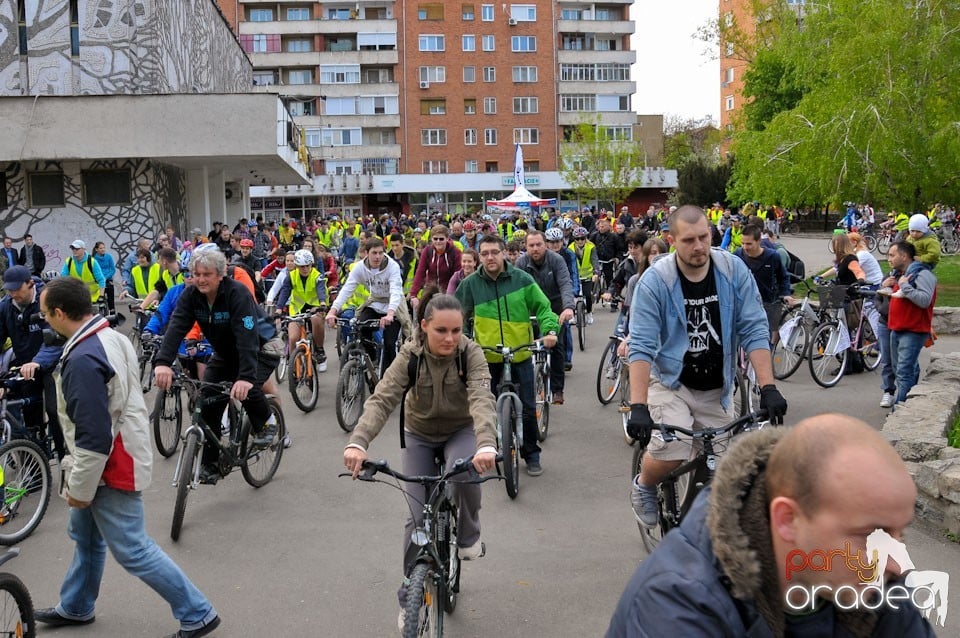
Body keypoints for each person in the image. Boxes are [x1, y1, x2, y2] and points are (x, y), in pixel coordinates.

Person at [607, 414, 934, 637]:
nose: (898, 563)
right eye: (871, 535)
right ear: (787, 520)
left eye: (898, 534)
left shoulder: (874, 579)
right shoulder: (677, 605)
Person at [35, 277, 221, 638]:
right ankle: (75, 605)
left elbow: (92, 437)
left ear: (59, 313)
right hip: (117, 453)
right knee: (86, 537)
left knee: (133, 549)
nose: (44, 320)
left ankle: (197, 612)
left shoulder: (83, 358)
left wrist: (80, 489)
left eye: (45, 314)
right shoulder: (108, 337)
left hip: (108, 464)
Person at [343, 288, 497, 628]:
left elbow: (482, 399)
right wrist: (358, 442)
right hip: (420, 435)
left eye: (456, 330)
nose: (450, 338)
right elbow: (382, 399)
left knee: (466, 471)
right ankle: (409, 594)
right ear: (425, 326)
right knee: (416, 519)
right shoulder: (409, 355)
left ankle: (469, 535)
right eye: (441, 330)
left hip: (461, 430)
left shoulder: (470, 354)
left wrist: (486, 444)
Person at [626, 206, 787, 527]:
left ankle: (701, 526)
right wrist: (638, 406)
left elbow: (754, 328)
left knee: (723, 467)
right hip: (670, 382)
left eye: (704, 237)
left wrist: (768, 388)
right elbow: (641, 346)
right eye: (689, 240)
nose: (699, 246)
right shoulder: (655, 282)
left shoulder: (732, 270)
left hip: (717, 385)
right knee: (673, 449)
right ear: (671, 240)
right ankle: (643, 485)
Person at [153, 248, 281, 484]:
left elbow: (247, 337)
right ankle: (210, 464)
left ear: (220, 274)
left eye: (207, 274)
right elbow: (177, 327)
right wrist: (163, 363)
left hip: (262, 347)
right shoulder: (191, 296)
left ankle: (266, 423)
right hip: (226, 353)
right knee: (208, 398)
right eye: (197, 274)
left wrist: (244, 377)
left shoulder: (237, 293)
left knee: (247, 387)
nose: (200, 279)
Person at [456, 234, 559, 476]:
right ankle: (488, 449)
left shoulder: (522, 279)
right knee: (483, 408)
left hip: (520, 353)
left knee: (526, 407)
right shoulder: (471, 284)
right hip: (485, 357)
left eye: (494, 252)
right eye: (485, 253)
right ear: (479, 256)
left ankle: (531, 454)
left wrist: (550, 330)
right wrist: (459, 340)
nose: (490, 257)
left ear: (504, 253)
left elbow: (543, 307)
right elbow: (455, 313)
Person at [0, 266, 66, 459]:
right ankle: (35, 471)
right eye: (9, 289)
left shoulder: (46, 302)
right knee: (27, 416)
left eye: (16, 289)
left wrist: (37, 362)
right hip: (24, 367)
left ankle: (65, 460)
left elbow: (56, 339)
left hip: (51, 365)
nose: (13, 293)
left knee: (55, 412)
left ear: (30, 284)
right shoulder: (5, 307)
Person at [326, 238, 404, 377]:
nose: (378, 257)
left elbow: (395, 291)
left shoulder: (392, 266)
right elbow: (346, 289)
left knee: (389, 344)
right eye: (374, 253)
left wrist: (390, 314)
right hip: (375, 303)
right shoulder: (360, 268)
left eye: (381, 253)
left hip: (394, 305)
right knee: (360, 326)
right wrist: (333, 311)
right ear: (366, 253)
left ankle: (388, 378)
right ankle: (372, 358)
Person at [516, 230, 574, 405]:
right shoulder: (521, 262)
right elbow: (515, 290)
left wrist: (568, 307)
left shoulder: (556, 260)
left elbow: (565, 283)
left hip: (555, 308)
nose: (535, 248)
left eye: (538, 244)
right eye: (531, 245)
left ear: (545, 244)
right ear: (526, 247)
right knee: (523, 347)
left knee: (556, 346)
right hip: (530, 310)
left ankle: (557, 390)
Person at [883, 241, 937, 406]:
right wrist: (885, 286)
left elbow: (924, 300)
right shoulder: (899, 274)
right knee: (902, 369)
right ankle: (911, 401)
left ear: (904, 256)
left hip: (913, 330)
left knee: (904, 372)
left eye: (892, 255)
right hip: (896, 328)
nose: (889, 259)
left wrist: (905, 286)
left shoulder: (922, 275)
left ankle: (901, 408)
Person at [734, 224, 792, 340]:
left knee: (765, 338)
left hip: (768, 303)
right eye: (743, 243)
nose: (745, 247)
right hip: (745, 303)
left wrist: (786, 293)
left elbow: (783, 277)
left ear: (759, 241)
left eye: (749, 243)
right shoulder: (738, 255)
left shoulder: (772, 256)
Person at [276, 249, 329, 374]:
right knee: (293, 337)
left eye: (307, 266)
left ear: (311, 265)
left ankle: (320, 351)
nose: (305, 269)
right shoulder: (291, 276)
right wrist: (278, 309)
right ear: (297, 266)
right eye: (301, 267)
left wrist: (322, 303)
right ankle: (294, 368)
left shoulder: (317, 276)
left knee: (316, 320)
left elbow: (321, 290)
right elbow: (284, 292)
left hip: (315, 306)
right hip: (297, 308)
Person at [409, 225, 461, 308]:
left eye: (441, 239)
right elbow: (420, 273)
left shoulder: (455, 252)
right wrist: (413, 295)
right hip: (430, 290)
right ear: (431, 239)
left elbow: (457, 276)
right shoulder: (427, 251)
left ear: (447, 238)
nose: (438, 241)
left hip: (449, 290)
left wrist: (451, 295)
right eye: (435, 239)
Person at [569, 226, 599, 325]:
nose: (580, 241)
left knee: (588, 295)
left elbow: (594, 260)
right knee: (572, 296)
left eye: (583, 238)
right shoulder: (570, 248)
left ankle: (589, 313)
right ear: (574, 239)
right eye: (577, 239)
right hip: (574, 276)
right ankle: (572, 316)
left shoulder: (591, 247)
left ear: (586, 238)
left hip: (588, 275)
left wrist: (596, 272)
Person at [92, 241, 117, 313]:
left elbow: (112, 270)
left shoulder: (108, 257)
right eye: (101, 248)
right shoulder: (93, 259)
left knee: (111, 300)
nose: (103, 249)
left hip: (108, 280)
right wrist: (100, 278)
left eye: (104, 248)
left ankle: (113, 316)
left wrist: (105, 277)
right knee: (99, 299)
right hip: (98, 281)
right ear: (96, 249)